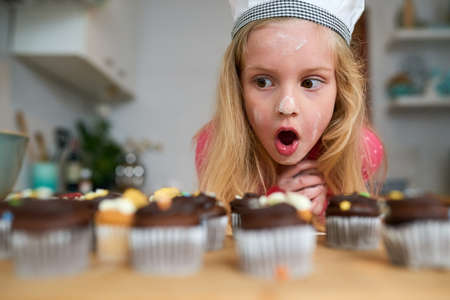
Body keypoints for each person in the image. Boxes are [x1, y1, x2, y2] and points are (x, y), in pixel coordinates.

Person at [194, 0, 385, 217]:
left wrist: (324, 209)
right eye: (263, 82)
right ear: (238, 87)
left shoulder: (361, 149)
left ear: (341, 88)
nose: (287, 106)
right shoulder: (214, 146)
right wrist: (276, 202)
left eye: (309, 83)